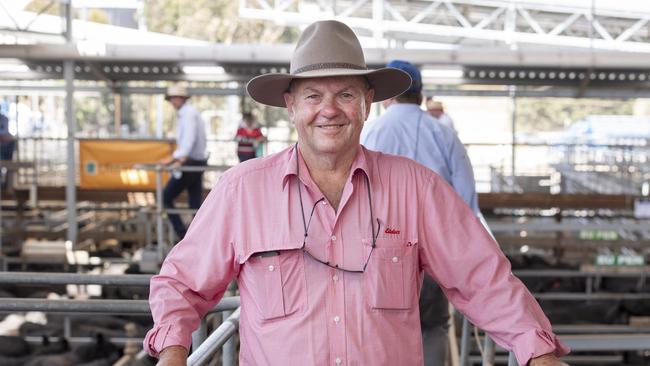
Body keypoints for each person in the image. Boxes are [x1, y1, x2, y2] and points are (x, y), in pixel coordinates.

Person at [144, 20, 569, 366]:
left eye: (345, 94)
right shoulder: (242, 191)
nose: (329, 110)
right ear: (291, 106)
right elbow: (181, 284)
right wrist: (174, 351)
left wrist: (539, 352)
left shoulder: (416, 189)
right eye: (313, 96)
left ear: (367, 103)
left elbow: (483, 280)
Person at [361, 60, 478, 366]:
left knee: (381, 328)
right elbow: (466, 198)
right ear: (421, 94)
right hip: (434, 249)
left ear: (387, 96)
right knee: (434, 325)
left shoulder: (369, 133)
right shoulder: (444, 135)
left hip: (377, 252)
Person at [159, 85, 208, 241]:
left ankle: (183, 236)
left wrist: (176, 157)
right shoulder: (189, 113)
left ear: (180, 98)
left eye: (174, 98)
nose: (172, 102)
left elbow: (188, 141)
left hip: (191, 162)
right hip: (196, 161)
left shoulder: (188, 114)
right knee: (194, 203)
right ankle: (199, 238)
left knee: (165, 197)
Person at [0, 111, 16, 189]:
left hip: (5, 149)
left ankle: (7, 184)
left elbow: (4, 133)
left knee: (8, 165)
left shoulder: (4, 118)